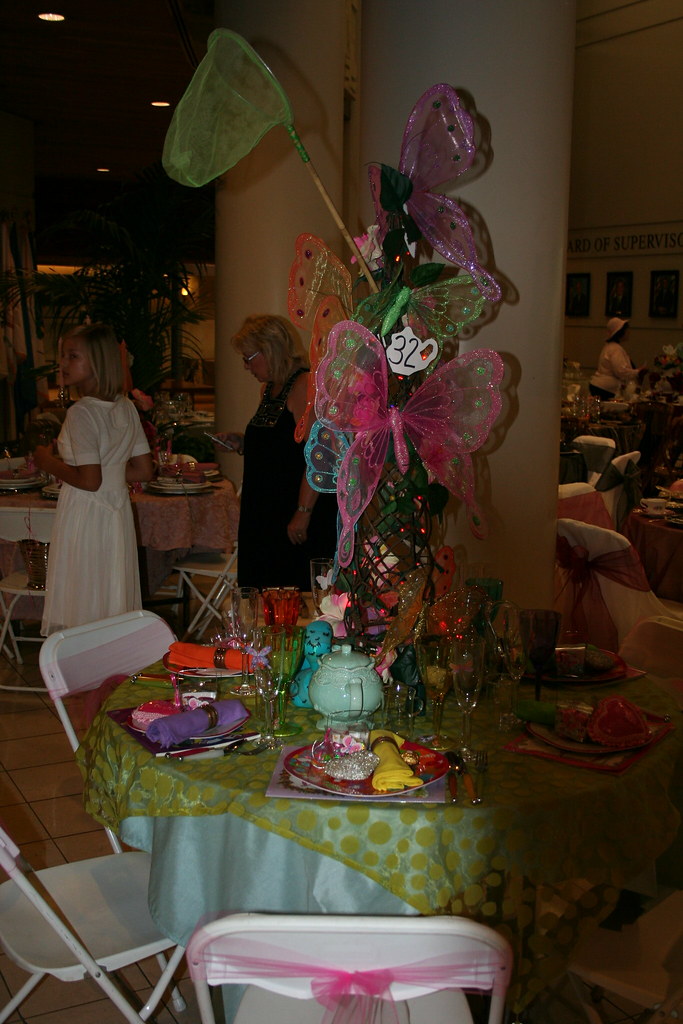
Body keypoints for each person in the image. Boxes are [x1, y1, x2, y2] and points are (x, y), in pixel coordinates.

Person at [34, 323, 154, 634]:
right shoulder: (126, 407)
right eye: (64, 356)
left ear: (97, 363)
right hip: (115, 512)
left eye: (73, 356)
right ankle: (108, 663)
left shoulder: (82, 412)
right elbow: (143, 470)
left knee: (84, 591)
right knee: (109, 591)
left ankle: (84, 665)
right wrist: (111, 471)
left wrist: (48, 462)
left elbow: (89, 480)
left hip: (86, 511)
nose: (63, 363)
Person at [217, 314, 337, 591]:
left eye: (249, 358)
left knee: (291, 591)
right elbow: (280, 447)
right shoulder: (268, 389)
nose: (246, 366)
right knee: (264, 590)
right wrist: (243, 442)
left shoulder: (306, 385)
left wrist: (303, 511)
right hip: (265, 512)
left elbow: (320, 456)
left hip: (295, 510)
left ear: (270, 350)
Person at [589, 317, 645, 400]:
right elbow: (620, 371)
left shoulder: (609, 347)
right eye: (627, 330)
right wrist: (637, 372)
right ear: (621, 332)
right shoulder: (616, 349)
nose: (629, 332)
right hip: (606, 388)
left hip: (599, 385)